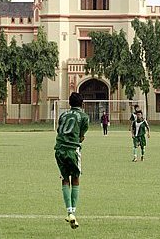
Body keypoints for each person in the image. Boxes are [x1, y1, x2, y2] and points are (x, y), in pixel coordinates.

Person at [55, 92, 89, 229]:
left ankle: (68, 210)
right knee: (75, 178)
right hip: (73, 150)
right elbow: (81, 135)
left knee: (64, 178)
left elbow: (59, 130)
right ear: (82, 104)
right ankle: (73, 212)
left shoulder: (63, 115)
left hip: (59, 149)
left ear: (69, 103)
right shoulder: (84, 117)